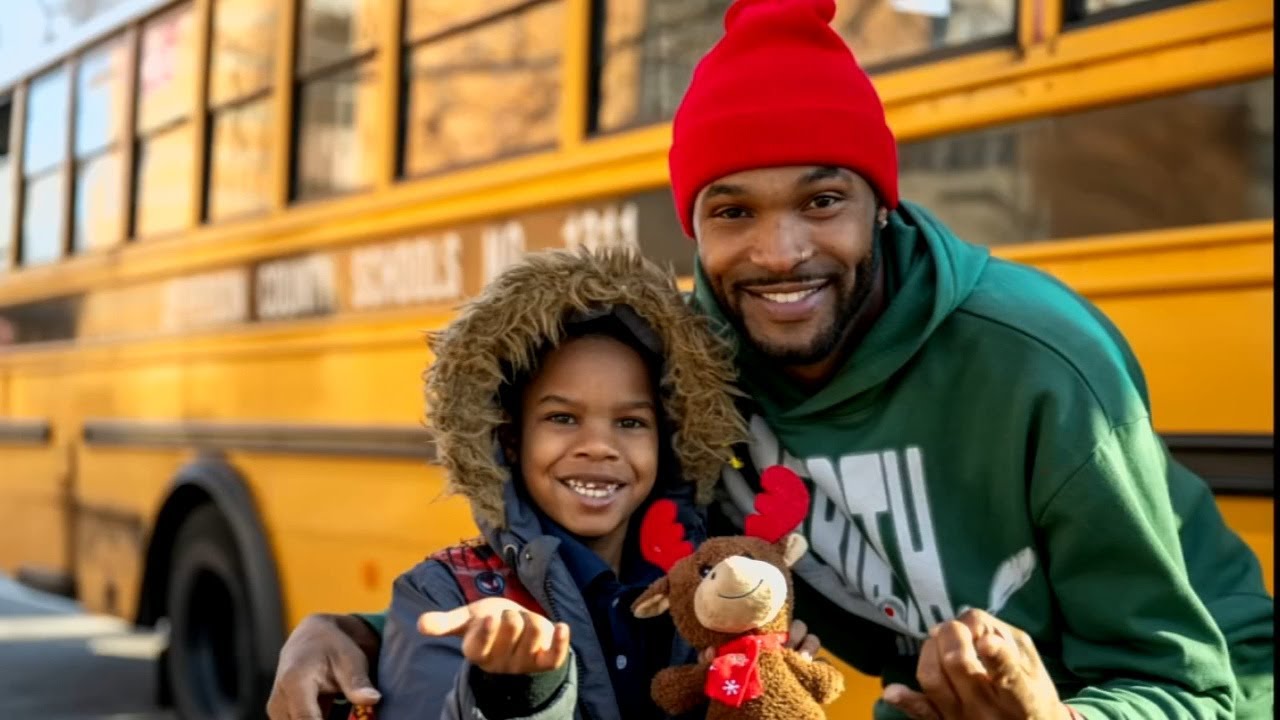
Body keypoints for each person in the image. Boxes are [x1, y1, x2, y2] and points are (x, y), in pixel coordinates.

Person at [267, 0, 1273, 718]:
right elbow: (619, 577)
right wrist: (359, 633)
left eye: (821, 200)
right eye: (732, 211)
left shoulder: (1043, 364)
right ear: (691, 233)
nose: (781, 253)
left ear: (879, 202)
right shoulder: (693, 374)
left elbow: (1190, 678)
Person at [317, 248, 821, 720]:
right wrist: (513, 691)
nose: (598, 446)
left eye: (630, 423)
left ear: (671, 440)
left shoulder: (714, 583)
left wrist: (759, 694)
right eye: (562, 418)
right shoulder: (445, 596)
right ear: (509, 438)